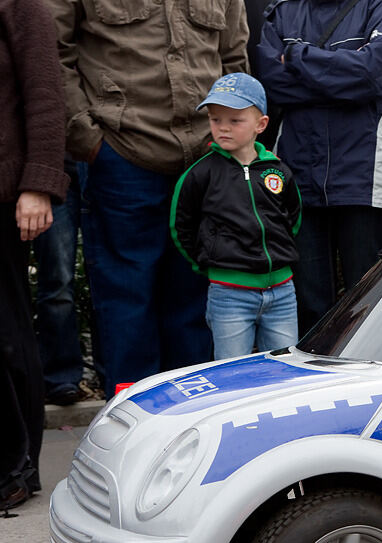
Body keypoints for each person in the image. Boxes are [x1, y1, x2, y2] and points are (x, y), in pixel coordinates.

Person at [48, 0, 249, 397]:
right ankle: (134, 418)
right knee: (126, 303)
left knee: (197, 304)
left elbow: (234, 58)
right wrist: (87, 138)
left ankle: (192, 419)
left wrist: (230, 141)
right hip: (121, 154)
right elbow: (55, 52)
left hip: (205, 157)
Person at [256, 0, 382, 336]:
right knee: (309, 306)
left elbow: (375, 74)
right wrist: (344, 81)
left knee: (369, 301)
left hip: (366, 175)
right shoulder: (283, 12)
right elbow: (273, 83)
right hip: (299, 171)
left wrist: (297, 55)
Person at [171, 74, 303, 360]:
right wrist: (210, 261)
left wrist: (278, 252)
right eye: (215, 119)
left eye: (235, 120)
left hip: (282, 291)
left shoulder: (278, 170)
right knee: (231, 371)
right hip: (229, 294)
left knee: (285, 369)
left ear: (261, 124)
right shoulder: (200, 174)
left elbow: (292, 218)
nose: (223, 127)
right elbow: (181, 226)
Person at [1, 0, 69, 509]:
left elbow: (45, 94)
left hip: (5, 194)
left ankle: (15, 467)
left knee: (6, 333)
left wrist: (38, 184)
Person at [33, 157, 87, 405]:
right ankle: (60, 377)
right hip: (55, 166)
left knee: (113, 281)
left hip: (106, 164)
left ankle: (115, 375)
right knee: (57, 283)